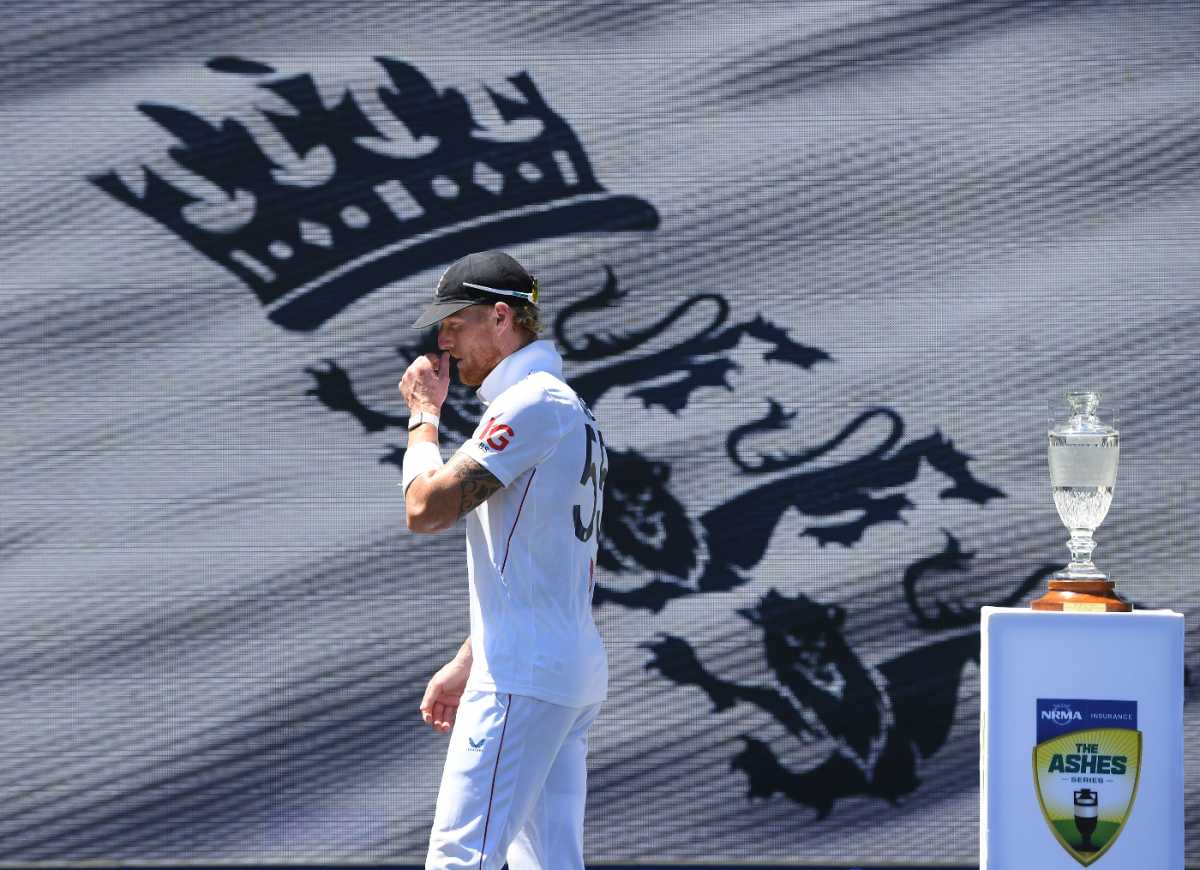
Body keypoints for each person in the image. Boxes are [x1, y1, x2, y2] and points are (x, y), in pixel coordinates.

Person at [397, 250, 609, 870]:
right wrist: (472, 655)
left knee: (461, 861)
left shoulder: (536, 402)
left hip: (526, 671)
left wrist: (423, 418)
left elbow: (426, 508)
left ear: (500, 317)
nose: (442, 338)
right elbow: (540, 562)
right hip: (554, 665)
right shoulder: (565, 406)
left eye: (454, 322)